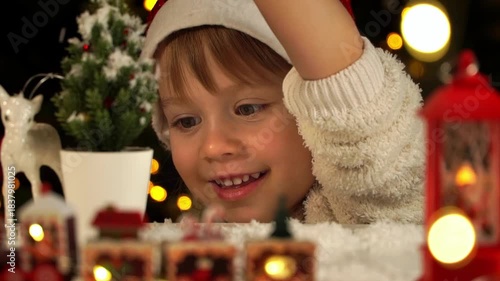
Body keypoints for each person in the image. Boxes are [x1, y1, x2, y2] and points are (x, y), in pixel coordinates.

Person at [141, 0, 425, 224]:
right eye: (187, 121)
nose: (214, 146)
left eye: (248, 109)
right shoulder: (189, 248)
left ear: (317, 108)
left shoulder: (364, 208)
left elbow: (355, 111)